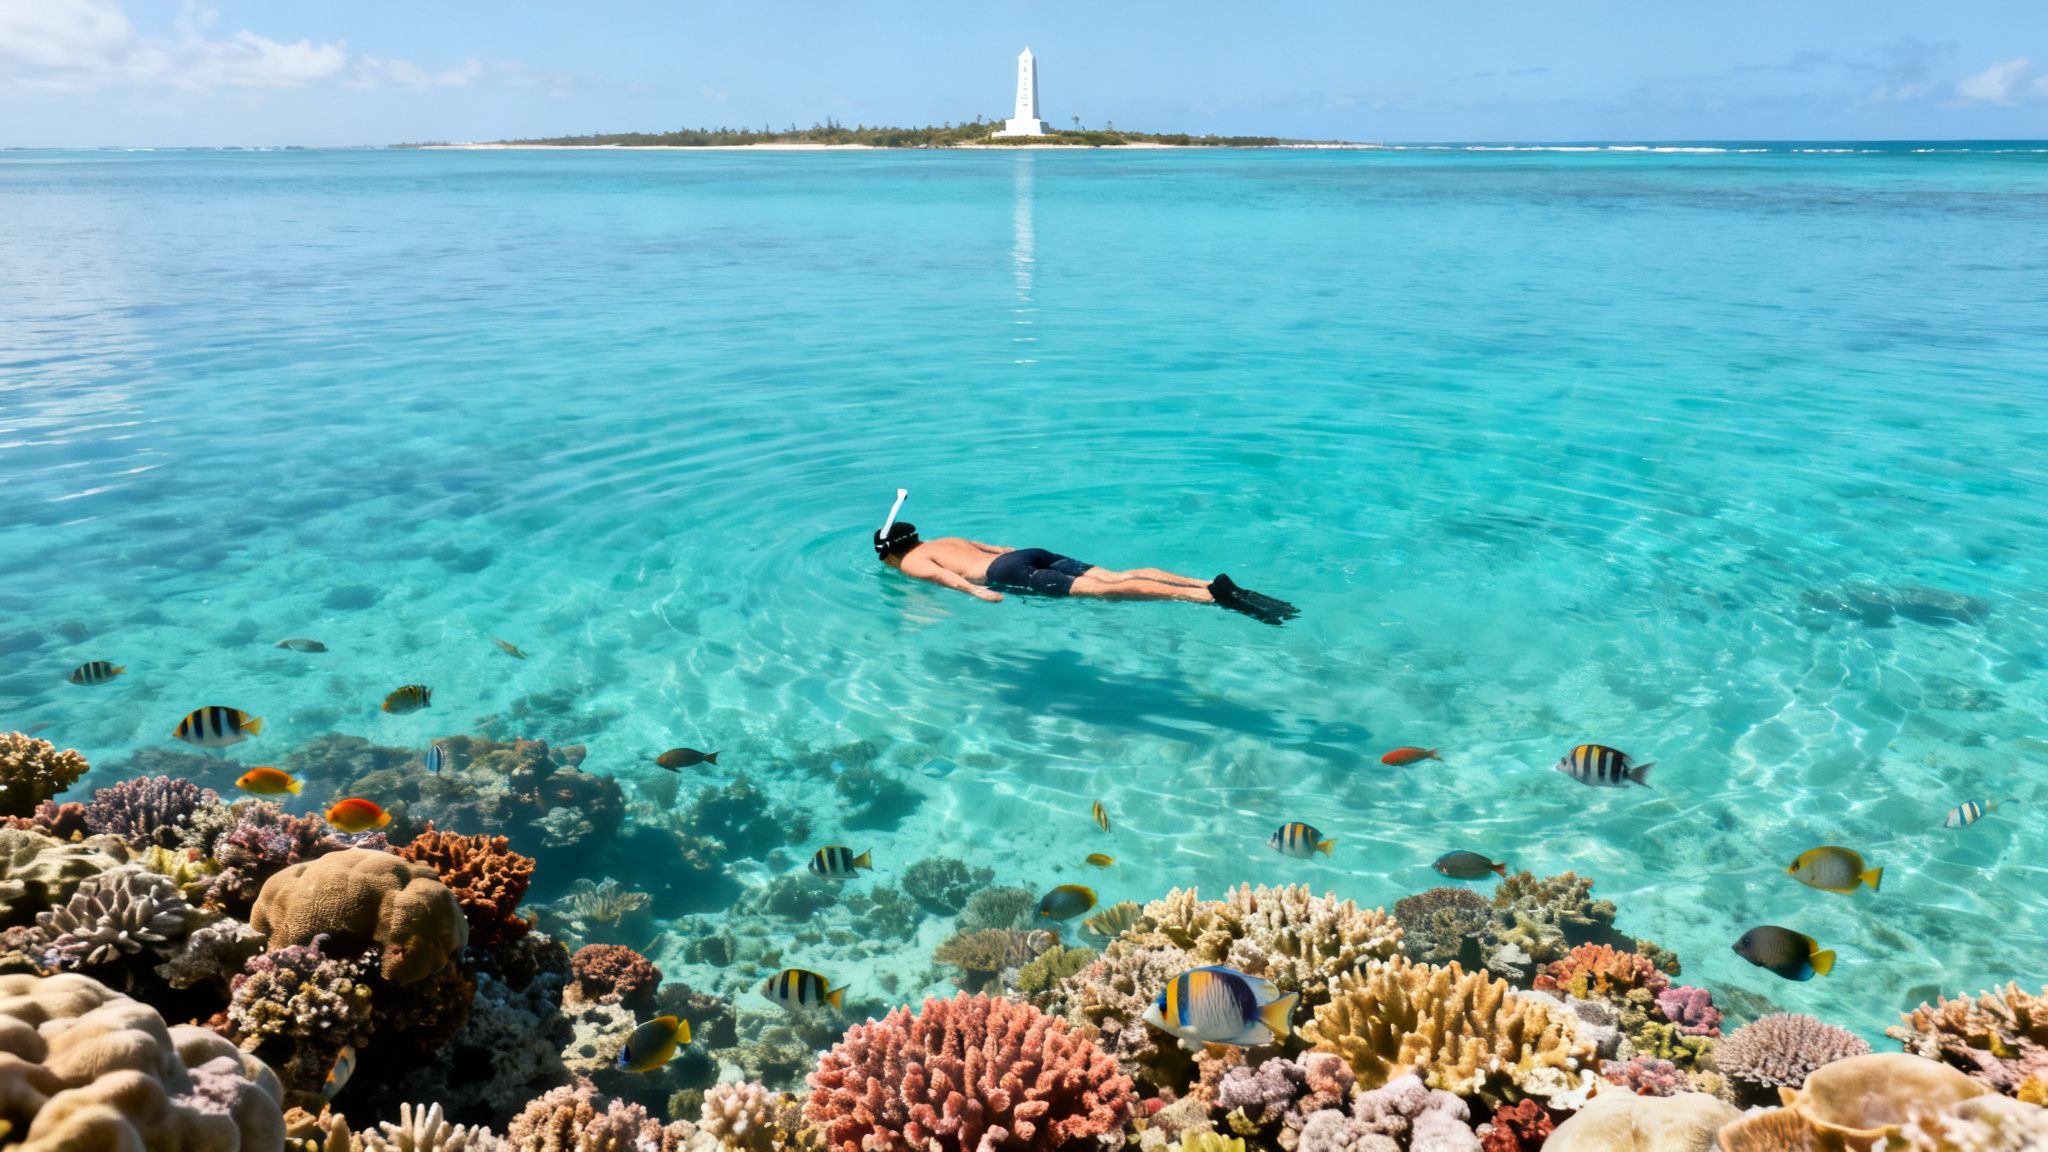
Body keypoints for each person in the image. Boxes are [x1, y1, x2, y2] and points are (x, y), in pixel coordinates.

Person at [869, 492, 1298, 625]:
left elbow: (950, 581)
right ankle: (1204, 582)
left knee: (1105, 593)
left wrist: (980, 596)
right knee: (1117, 575)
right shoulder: (946, 538)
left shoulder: (910, 562)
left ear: (889, 552)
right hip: (1026, 553)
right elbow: (999, 549)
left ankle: (1212, 599)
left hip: (1005, 574)